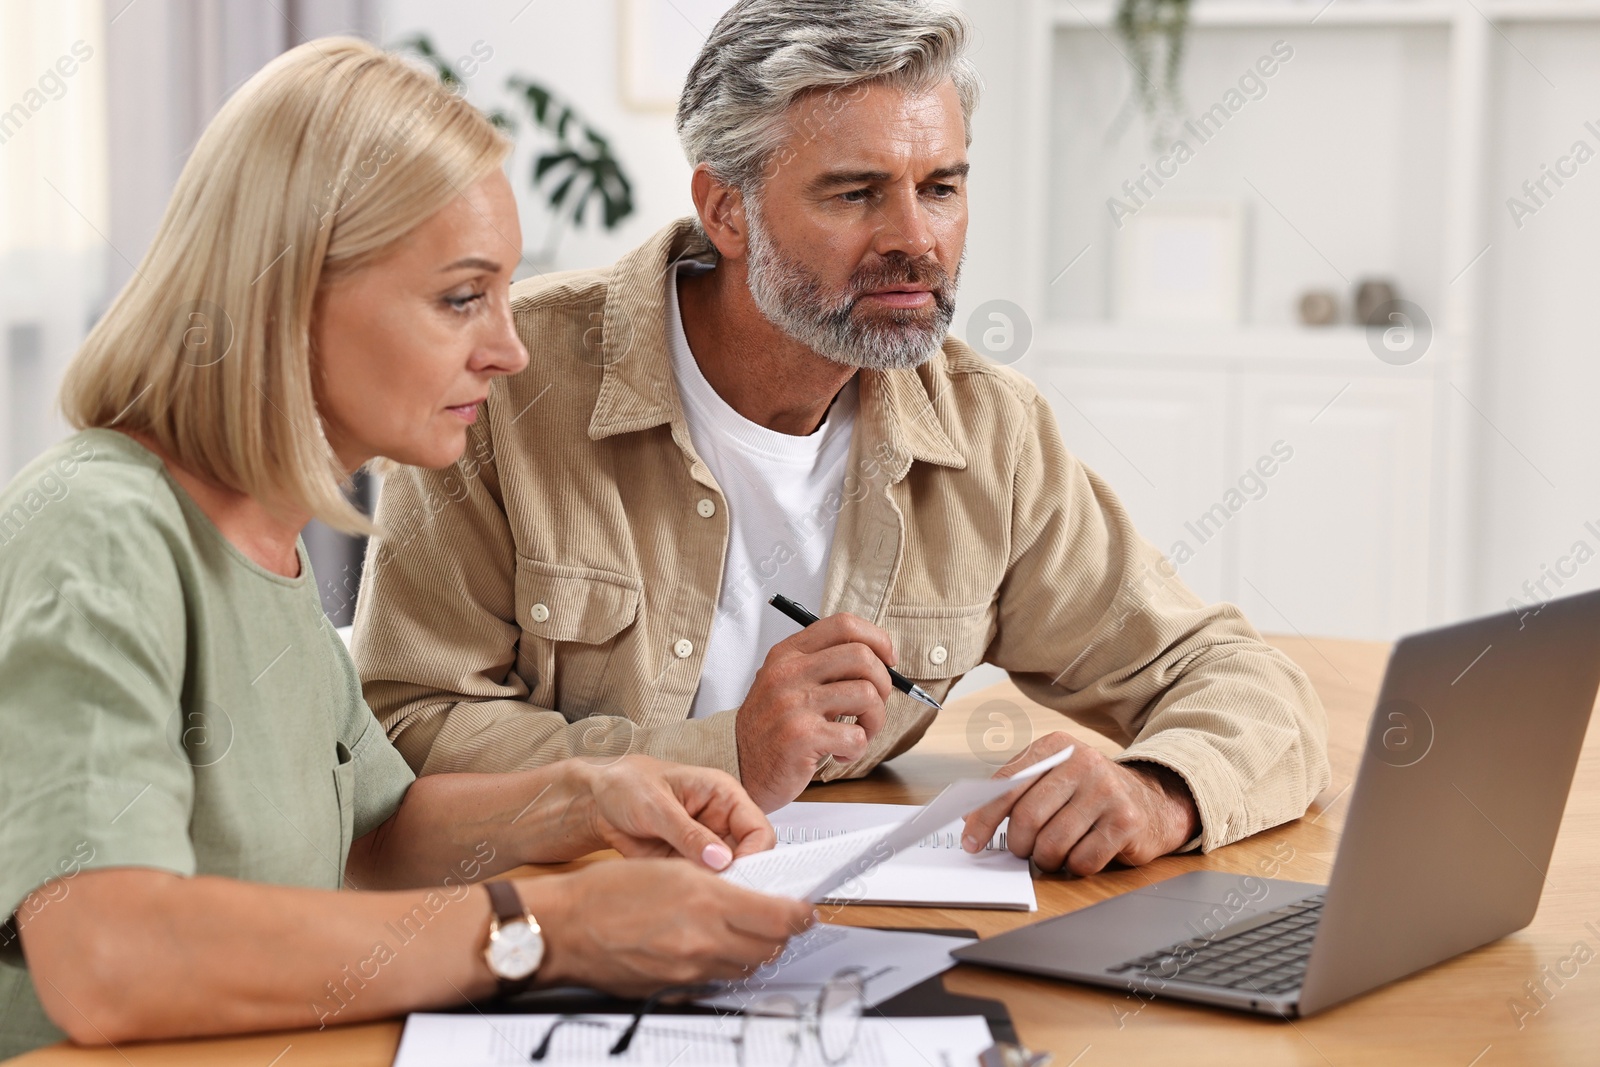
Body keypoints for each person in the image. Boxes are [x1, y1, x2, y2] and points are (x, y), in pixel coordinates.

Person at [355, 0, 1330, 877]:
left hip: (851, 930)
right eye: (856, 193)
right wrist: (720, 751)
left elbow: (1240, 681)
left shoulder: (987, 429)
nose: (915, 237)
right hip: (548, 919)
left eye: (940, 186)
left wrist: (1163, 788)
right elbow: (403, 732)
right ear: (724, 208)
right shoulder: (500, 379)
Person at [0, 38, 809, 1061]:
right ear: (287, 291)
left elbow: (373, 838)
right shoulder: (100, 533)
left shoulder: (268, 541)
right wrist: (548, 930)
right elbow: (105, 954)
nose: (509, 350)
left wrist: (590, 794)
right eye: (461, 297)